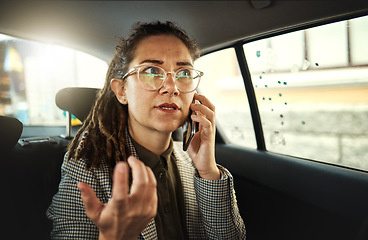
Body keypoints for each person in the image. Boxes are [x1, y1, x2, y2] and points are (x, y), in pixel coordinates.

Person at [47, 21, 246, 240]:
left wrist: (208, 172)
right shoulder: (87, 164)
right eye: (152, 70)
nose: (172, 87)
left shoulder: (195, 163)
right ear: (122, 90)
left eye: (184, 73)